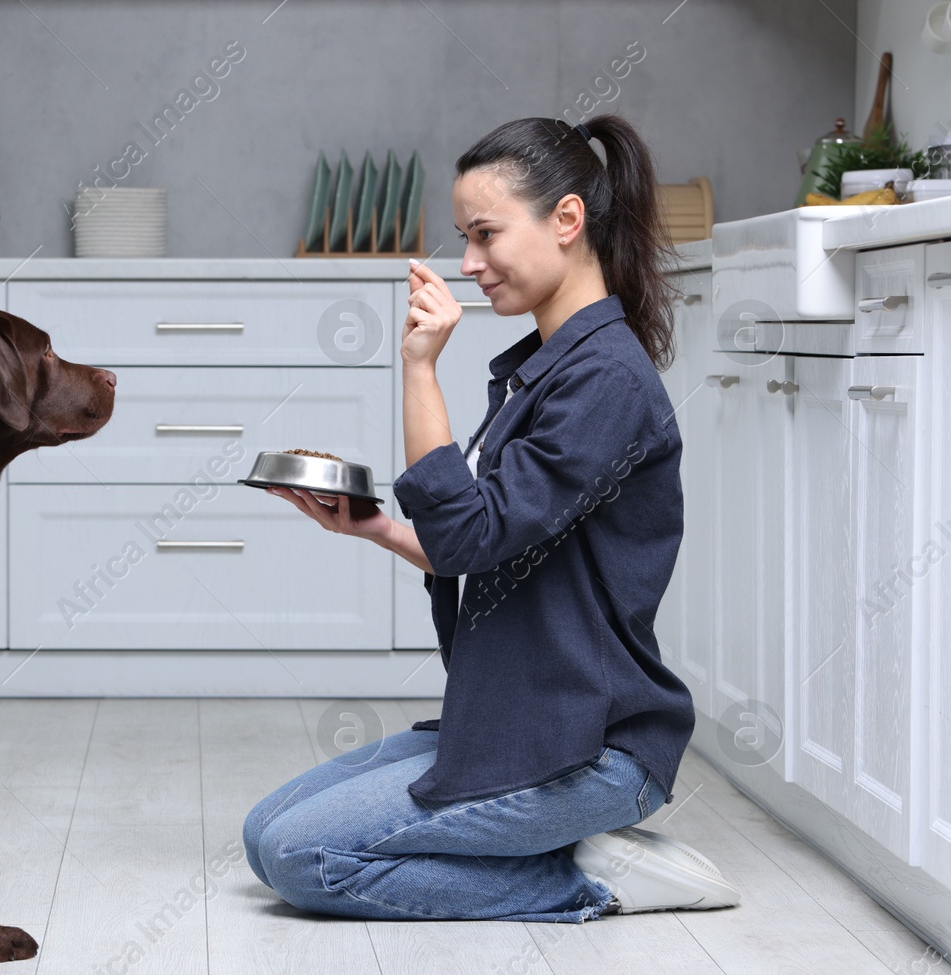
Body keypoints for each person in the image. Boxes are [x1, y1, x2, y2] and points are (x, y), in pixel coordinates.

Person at [247, 113, 740, 922]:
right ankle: (557, 848)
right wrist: (372, 526)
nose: (469, 263)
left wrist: (418, 368)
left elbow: (469, 534)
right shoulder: (553, 372)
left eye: (486, 234)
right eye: (463, 237)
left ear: (568, 220)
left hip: (591, 748)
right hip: (517, 723)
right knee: (265, 831)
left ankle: (591, 880)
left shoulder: (605, 382)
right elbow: (489, 543)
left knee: (302, 858)